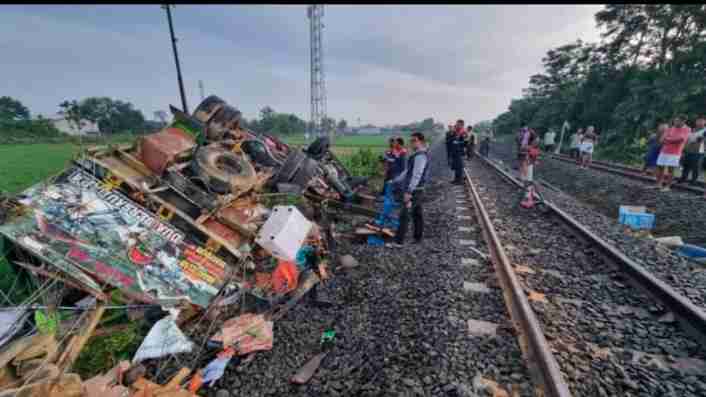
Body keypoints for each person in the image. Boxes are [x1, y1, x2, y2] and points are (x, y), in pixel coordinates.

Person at [386, 132, 430, 248]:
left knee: (404, 214)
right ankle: (418, 237)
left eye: (414, 140)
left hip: (415, 190)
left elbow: (417, 175)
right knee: (417, 213)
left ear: (421, 141)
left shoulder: (420, 156)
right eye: (411, 140)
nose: (412, 143)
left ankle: (398, 242)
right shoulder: (416, 154)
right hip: (418, 189)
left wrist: (409, 191)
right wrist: (395, 180)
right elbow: (407, 171)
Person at [655, 115, 691, 192]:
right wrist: (670, 140)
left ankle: (668, 186)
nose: (675, 122)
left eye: (677, 121)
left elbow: (681, 139)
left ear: (683, 121)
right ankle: (659, 184)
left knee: (671, 169)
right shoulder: (670, 128)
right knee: (660, 167)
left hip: (675, 153)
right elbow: (661, 140)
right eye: (675, 120)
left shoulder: (687, 129)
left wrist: (668, 140)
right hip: (664, 151)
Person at [677, 116, 705, 185]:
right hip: (688, 150)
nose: (699, 122)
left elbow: (700, 139)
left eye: (701, 121)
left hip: (699, 151)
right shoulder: (692, 129)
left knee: (696, 167)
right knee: (686, 165)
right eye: (698, 120)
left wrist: (695, 140)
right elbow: (687, 139)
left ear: (705, 122)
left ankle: (693, 181)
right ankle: (683, 178)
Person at [450, 120, 466, 185]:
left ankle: (460, 180)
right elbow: (452, 139)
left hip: (459, 152)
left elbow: (465, 143)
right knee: (456, 166)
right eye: (456, 124)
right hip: (455, 151)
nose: (456, 125)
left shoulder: (463, 132)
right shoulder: (456, 132)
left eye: (458, 124)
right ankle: (456, 179)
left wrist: (458, 142)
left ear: (462, 125)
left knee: (459, 167)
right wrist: (452, 132)